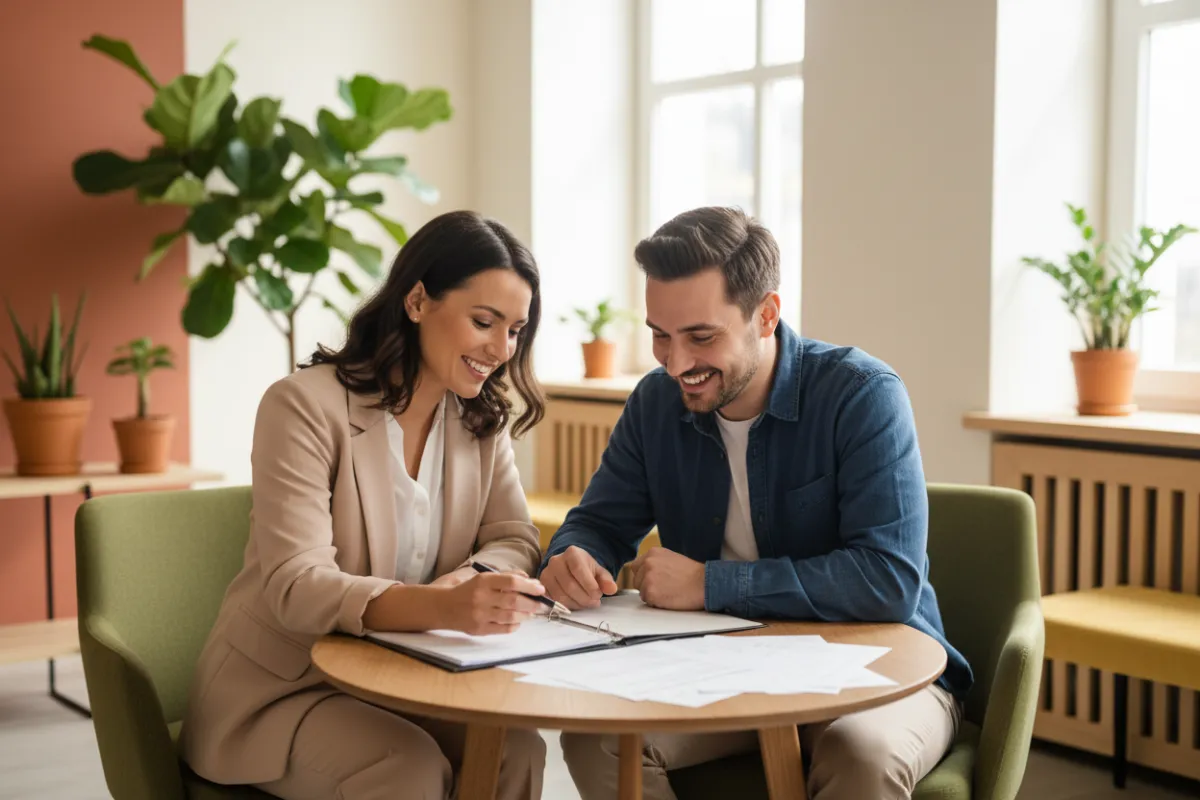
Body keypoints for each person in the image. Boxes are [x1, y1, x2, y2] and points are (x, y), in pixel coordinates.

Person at [540, 206, 972, 800]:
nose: (676, 363)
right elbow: (598, 522)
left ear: (765, 315)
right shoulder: (654, 402)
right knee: (599, 742)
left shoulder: (862, 396)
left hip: (878, 670)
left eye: (701, 336)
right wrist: (573, 554)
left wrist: (711, 585)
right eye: (660, 336)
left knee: (861, 755)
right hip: (721, 672)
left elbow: (888, 579)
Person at [180, 210, 550, 800]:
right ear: (418, 301)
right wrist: (437, 607)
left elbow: (515, 537)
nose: (500, 349)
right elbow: (297, 582)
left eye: (515, 330)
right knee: (404, 768)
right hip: (286, 688)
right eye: (484, 321)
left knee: (516, 747)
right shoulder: (302, 406)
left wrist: (469, 580)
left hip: (411, 678)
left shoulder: (482, 420)